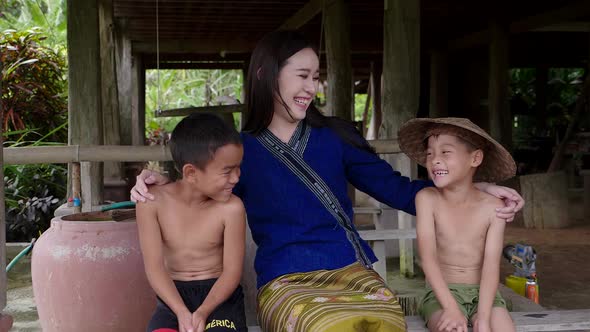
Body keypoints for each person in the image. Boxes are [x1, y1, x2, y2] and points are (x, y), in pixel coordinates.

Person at [131, 31, 524, 332]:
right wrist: (154, 182)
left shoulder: (334, 137)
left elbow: (399, 192)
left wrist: (474, 188)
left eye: (316, 78)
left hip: (352, 271)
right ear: (267, 75)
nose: (312, 88)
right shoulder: (241, 150)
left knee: (384, 324)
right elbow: (196, 185)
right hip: (285, 280)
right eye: (302, 76)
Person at [398, 117, 516, 332]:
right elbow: (428, 260)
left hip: (485, 294)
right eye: (430, 153)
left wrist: (484, 315)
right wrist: (451, 308)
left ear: (475, 158)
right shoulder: (427, 199)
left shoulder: (493, 207)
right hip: (441, 295)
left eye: (446, 152)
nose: (435, 160)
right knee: (452, 328)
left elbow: (491, 266)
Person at [136, 113, 247, 332]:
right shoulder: (151, 202)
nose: (236, 178)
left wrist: (203, 311)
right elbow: (155, 268)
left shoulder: (232, 208)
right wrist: (180, 311)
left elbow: (232, 272)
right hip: (173, 298)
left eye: (238, 167)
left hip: (220, 298)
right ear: (191, 172)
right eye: (227, 171)